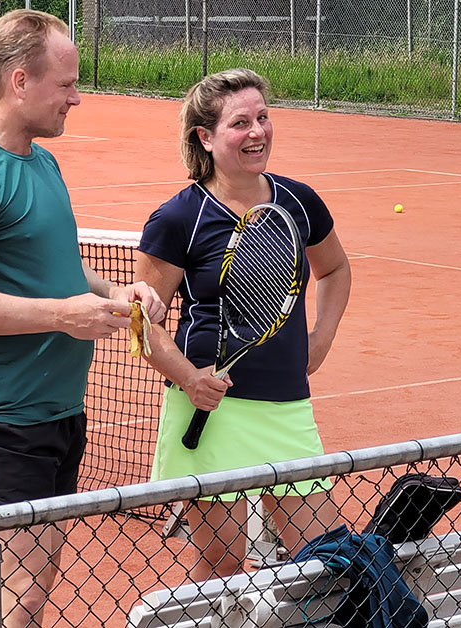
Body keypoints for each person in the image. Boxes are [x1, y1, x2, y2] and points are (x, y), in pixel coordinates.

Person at [0, 10, 165, 627]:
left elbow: (60, 270)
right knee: (11, 594)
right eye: (66, 83)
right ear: (20, 81)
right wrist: (60, 316)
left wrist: (119, 294)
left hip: (57, 410)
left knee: (35, 581)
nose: (77, 98)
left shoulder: (43, 163)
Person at [135, 68, 352, 580]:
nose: (257, 132)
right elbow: (143, 322)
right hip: (211, 415)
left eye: (263, 117)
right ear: (205, 138)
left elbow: (336, 268)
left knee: (324, 562)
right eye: (240, 123)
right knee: (222, 567)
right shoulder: (176, 218)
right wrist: (190, 378)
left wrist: (321, 337)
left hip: (287, 407)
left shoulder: (298, 201)